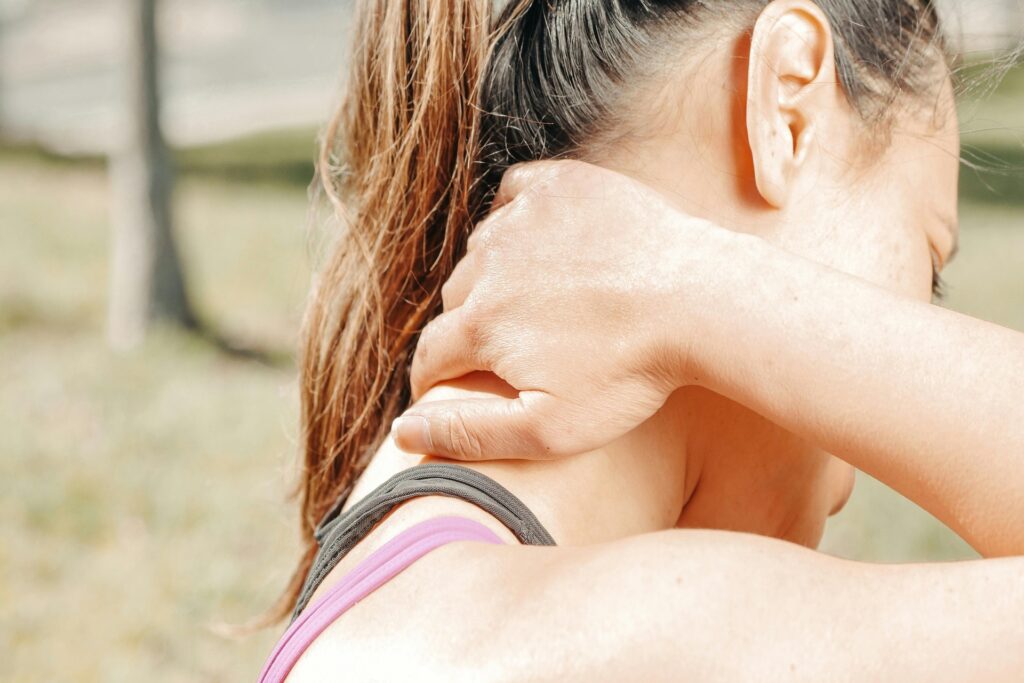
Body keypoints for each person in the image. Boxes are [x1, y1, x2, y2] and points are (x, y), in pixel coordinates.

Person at [260, 0, 1024, 680]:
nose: (853, 479)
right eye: (928, 263)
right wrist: (695, 287)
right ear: (787, 105)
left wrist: (677, 288)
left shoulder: (413, 596)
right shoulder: (663, 636)